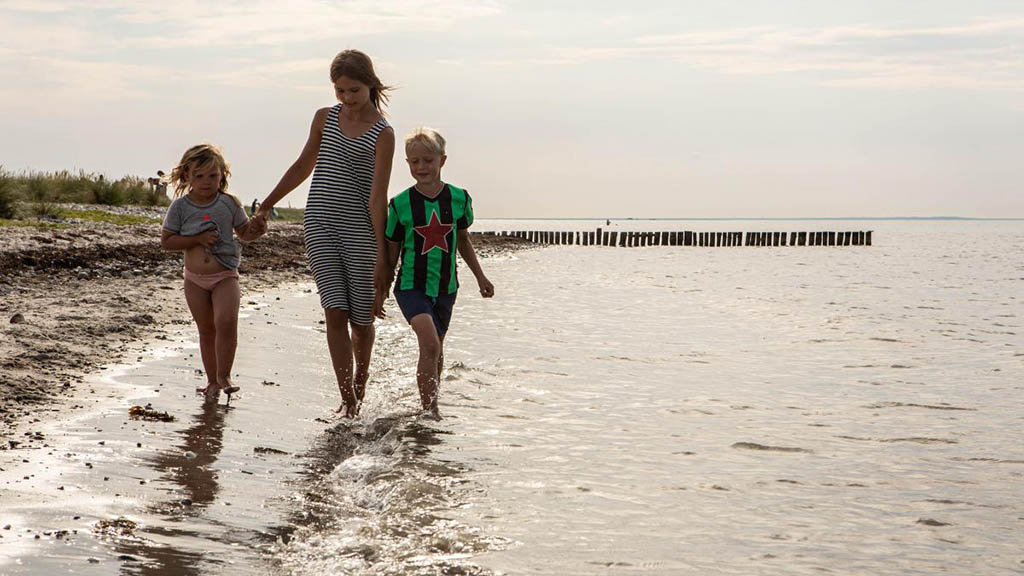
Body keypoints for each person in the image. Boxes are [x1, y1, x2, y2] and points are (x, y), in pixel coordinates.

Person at [252, 49, 395, 418]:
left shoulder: (384, 134)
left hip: (361, 232)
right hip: (320, 225)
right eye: (340, 91)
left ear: (371, 85)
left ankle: (360, 389)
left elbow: (378, 198)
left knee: (361, 323)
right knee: (334, 311)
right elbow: (303, 165)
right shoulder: (324, 119)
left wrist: (383, 256)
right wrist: (266, 204)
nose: (347, 99)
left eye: (354, 90)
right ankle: (347, 399)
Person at [377, 127, 494, 419]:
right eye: (414, 162)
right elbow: (391, 253)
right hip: (410, 286)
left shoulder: (459, 199)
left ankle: (431, 404)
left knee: (436, 349)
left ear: (442, 160)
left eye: (427, 160)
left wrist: (481, 277)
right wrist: (379, 293)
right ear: (407, 164)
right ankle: (430, 411)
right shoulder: (401, 204)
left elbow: (463, 240)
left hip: (446, 287)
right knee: (429, 342)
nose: (421, 167)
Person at [160, 144, 266, 403]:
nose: (206, 182)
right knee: (207, 330)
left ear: (222, 176)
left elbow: (245, 234)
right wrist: (197, 239)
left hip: (225, 276)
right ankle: (211, 382)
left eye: (212, 176)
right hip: (194, 279)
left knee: (226, 323)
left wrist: (258, 229)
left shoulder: (229, 203)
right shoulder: (181, 208)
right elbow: (167, 241)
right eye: (199, 176)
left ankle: (225, 375)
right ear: (186, 177)